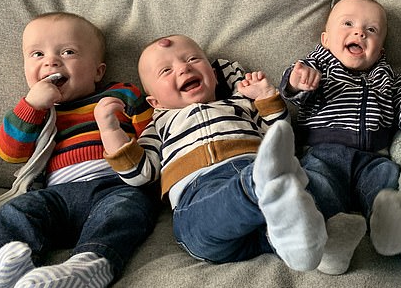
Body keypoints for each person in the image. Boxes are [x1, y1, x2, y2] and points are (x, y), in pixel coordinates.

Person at [280, 0, 401, 275]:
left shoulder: (390, 78)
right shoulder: (319, 68)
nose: (359, 32)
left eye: (371, 30)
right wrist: (297, 80)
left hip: (373, 157)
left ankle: (388, 231)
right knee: (318, 184)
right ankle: (330, 243)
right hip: (324, 152)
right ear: (326, 39)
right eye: (348, 24)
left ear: (380, 49)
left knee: (386, 181)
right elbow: (294, 89)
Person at [0, 12, 159, 288]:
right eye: (37, 54)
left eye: (68, 52)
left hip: (116, 186)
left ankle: (88, 270)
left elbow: (154, 137)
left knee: (123, 213)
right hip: (57, 195)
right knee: (16, 212)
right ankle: (7, 273)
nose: (51, 61)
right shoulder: (37, 111)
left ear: (98, 71)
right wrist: (32, 105)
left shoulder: (121, 94)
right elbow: (10, 153)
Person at [133, 34, 327, 272]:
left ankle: (309, 239)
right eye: (166, 71)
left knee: (311, 187)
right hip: (199, 193)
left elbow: (279, 133)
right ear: (155, 102)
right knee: (199, 231)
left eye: (193, 59)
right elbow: (141, 172)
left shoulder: (240, 104)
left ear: (214, 76)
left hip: (252, 169)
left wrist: (265, 97)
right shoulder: (159, 125)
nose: (184, 68)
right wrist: (112, 133)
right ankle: (268, 192)